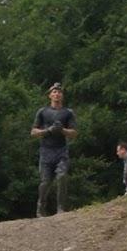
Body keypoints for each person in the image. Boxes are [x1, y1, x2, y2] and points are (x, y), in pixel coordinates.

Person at [31, 82, 78, 216]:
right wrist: (48, 130)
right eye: (54, 92)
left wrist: (62, 130)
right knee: (45, 181)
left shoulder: (68, 113)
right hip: (46, 151)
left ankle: (61, 208)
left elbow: (74, 133)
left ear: (62, 96)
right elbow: (33, 132)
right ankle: (41, 207)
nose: (57, 94)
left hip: (61, 150)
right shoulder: (42, 112)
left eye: (59, 92)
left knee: (62, 176)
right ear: (49, 95)